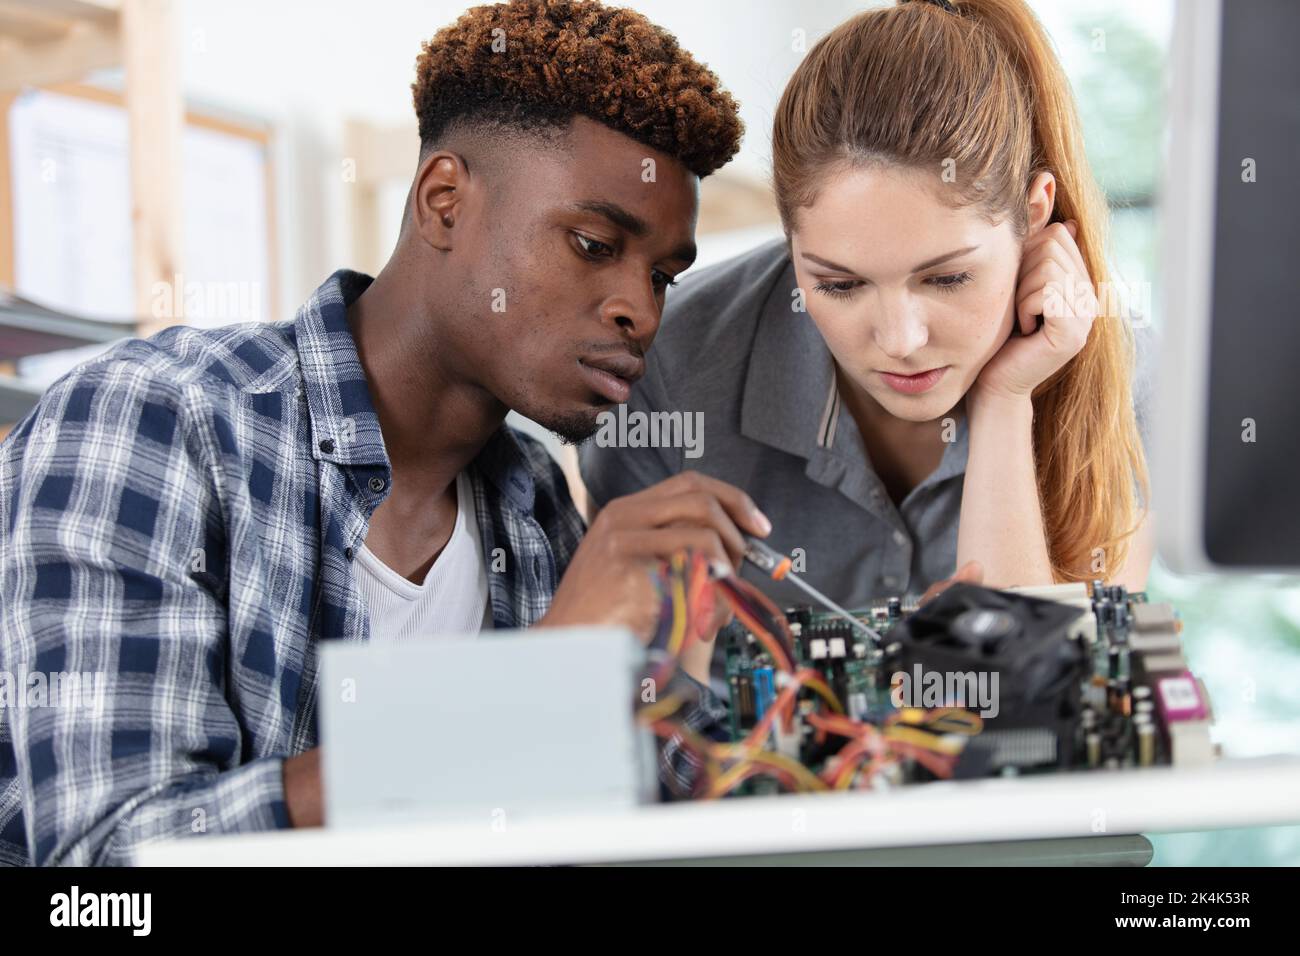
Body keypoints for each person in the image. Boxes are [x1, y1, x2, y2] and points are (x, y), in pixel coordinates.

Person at [0, 0, 761, 866]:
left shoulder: (538, 512)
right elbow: (108, 863)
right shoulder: (157, 422)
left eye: (663, 276)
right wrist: (530, 690)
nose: (639, 309)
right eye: (592, 243)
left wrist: (684, 686)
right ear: (444, 201)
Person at [581, 0, 1155, 680]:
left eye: (947, 278)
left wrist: (1008, 401)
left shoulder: (1125, 373)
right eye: (840, 286)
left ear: (1034, 215)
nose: (900, 340)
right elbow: (645, 717)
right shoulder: (669, 369)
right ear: (792, 241)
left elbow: (1050, 722)